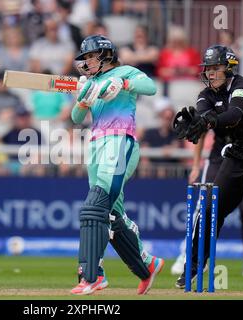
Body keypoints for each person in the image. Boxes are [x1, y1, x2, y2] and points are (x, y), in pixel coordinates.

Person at [173, 45, 243, 292]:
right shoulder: (205, 95)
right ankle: (192, 267)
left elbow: (233, 115)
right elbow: (203, 116)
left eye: (215, 68)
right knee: (209, 209)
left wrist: (208, 120)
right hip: (236, 155)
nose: (210, 73)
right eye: (208, 69)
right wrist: (198, 124)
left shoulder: (242, 87)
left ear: (229, 68)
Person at [70, 35, 164, 296]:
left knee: (94, 207)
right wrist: (83, 100)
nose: (87, 61)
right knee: (111, 214)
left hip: (121, 141)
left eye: (91, 56)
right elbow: (76, 118)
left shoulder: (126, 71)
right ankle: (147, 265)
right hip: (97, 146)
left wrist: (122, 83)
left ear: (106, 54)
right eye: (85, 58)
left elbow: (150, 87)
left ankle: (92, 275)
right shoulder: (91, 83)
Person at [170, 129, 243, 278]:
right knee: (201, 208)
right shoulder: (214, 106)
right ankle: (186, 255)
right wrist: (196, 166)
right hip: (217, 159)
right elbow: (201, 133)